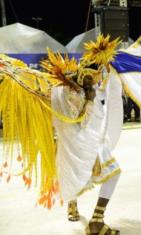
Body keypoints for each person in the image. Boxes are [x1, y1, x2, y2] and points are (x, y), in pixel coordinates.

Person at [0, 35, 123, 235]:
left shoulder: (62, 90)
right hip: (84, 145)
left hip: (70, 143)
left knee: (71, 175)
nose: (101, 76)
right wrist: (90, 99)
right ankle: (96, 221)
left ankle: (74, 206)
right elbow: (82, 119)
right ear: (89, 74)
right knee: (112, 174)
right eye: (99, 72)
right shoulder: (81, 94)